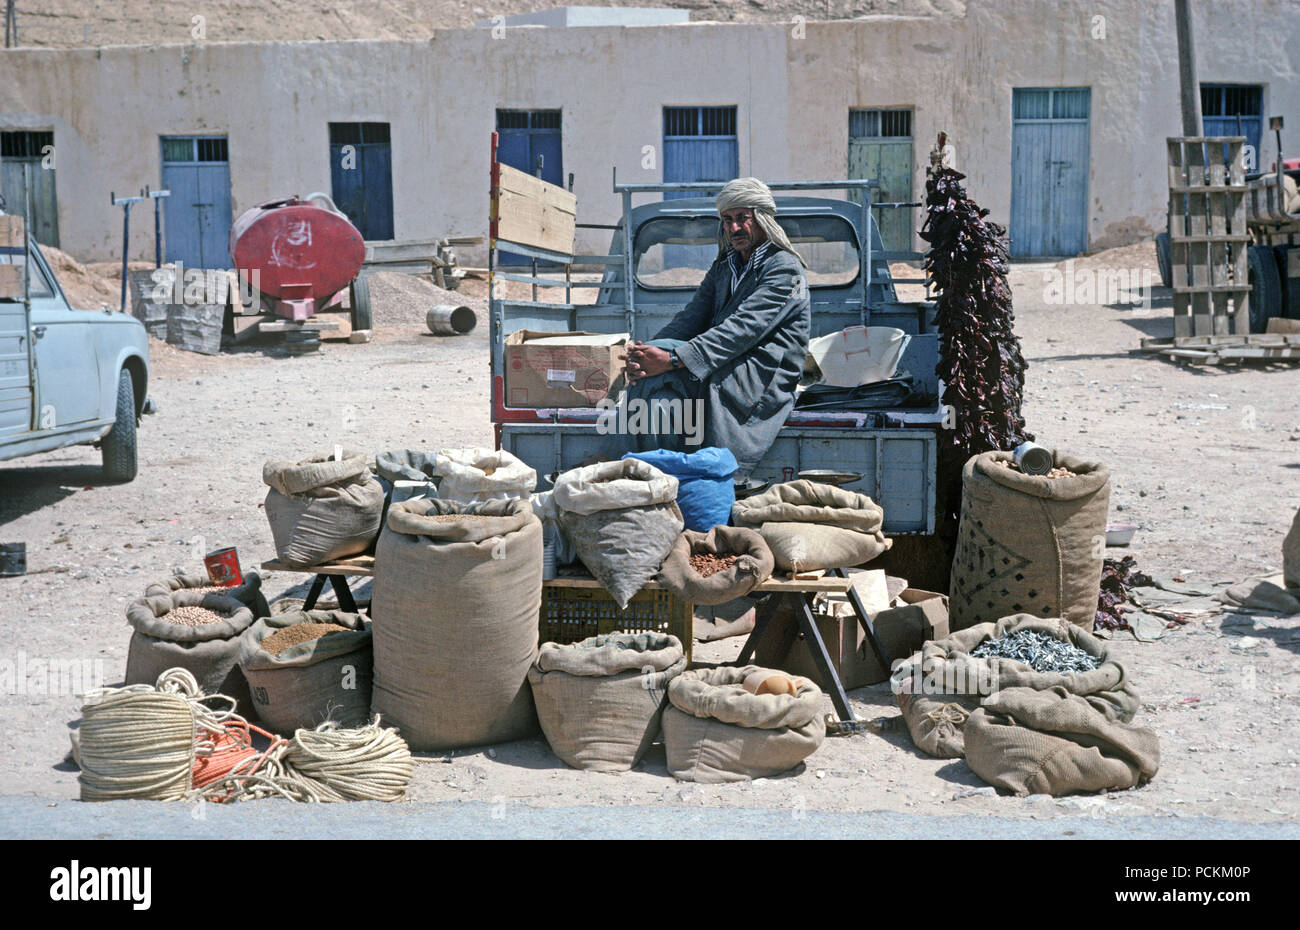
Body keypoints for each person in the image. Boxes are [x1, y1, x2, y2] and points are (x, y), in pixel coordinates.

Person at [621, 177, 811, 478]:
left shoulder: (784, 267)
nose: (734, 229)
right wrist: (647, 355)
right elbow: (691, 318)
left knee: (664, 374)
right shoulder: (725, 266)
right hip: (725, 358)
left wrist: (670, 359)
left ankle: (645, 469)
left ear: (762, 220)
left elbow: (743, 328)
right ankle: (656, 479)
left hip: (762, 370)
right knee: (654, 395)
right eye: (727, 220)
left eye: (742, 219)